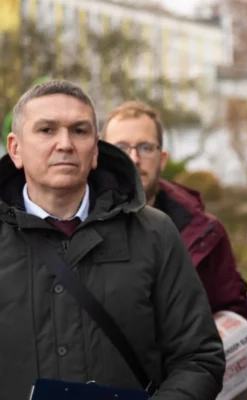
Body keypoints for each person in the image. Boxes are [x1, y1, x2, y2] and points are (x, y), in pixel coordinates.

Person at [0, 80, 224, 398]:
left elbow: (199, 359)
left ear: (95, 151)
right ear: (15, 148)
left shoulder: (154, 233)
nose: (65, 144)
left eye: (79, 131)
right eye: (46, 130)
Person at [102, 100, 247, 320]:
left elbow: (234, 317)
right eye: (121, 148)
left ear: (162, 160)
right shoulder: (74, 224)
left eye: (145, 147)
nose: (134, 159)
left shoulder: (207, 234)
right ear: (103, 157)